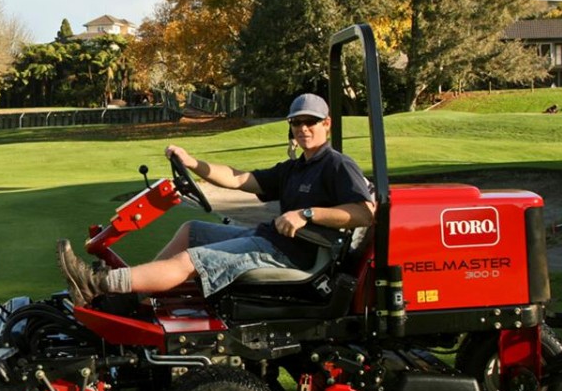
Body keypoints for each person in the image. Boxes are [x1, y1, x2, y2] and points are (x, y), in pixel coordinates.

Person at [58, 93, 376, 307]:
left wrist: (307, 213)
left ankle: (98, 284)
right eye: (297, 122)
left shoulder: (337, 164)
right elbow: (240, 179)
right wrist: (193, 163)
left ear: (327, 124)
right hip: (271, 239)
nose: (304, 128)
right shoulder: (296, 167)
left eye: (311, 122)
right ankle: (141, 296)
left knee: (190, 261)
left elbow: (364, 213)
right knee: (191, 230)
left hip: (297, 256)